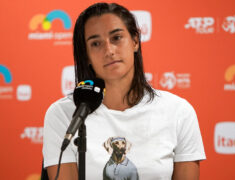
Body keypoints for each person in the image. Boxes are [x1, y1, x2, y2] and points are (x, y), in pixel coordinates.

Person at [43, 2, 206, 180]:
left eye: (116, 38)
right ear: (86, 56)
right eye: (96, 43)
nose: (109, 50)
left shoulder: (178, 112)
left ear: (135, 41)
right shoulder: (64, 114)